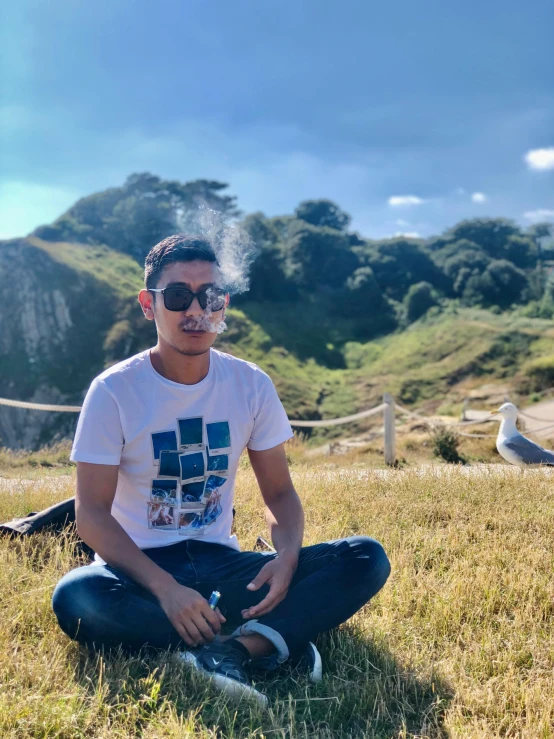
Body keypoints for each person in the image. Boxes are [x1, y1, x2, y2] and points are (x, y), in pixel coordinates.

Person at [52, 233, 391, 706]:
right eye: (177, 296)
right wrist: (166, 590)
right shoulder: (113, 392)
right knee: (77, 598)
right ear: (149, 305)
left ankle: (235, 649)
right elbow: (91, 514)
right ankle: (277, 638)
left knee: (364, 557)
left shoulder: (250, 384)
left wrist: (287, 557)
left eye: (209, 297)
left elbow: (279, 495)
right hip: (141, 569)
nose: (196, 310)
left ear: (223, 303)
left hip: (221, 563)